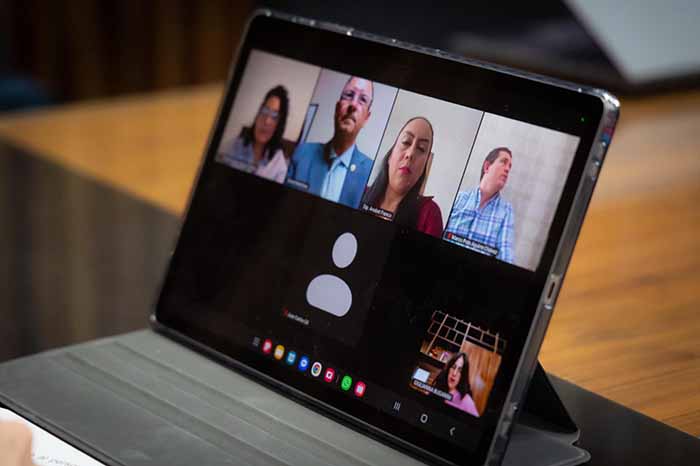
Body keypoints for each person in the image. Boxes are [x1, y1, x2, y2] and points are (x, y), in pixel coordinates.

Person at [286, 76, 374, 208]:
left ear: (366, 118)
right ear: (337, 108)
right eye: (349, 95)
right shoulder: (302, 153)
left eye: (363, 100)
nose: (353, 105)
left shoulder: (369, 172)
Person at [362, 117, 443, 237]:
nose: (410, 154)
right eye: (406, 142)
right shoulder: (358, 192)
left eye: (421, 148)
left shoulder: (430, 214)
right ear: (390, 156)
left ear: (424, 168)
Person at [444, 147, 515, 263]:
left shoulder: (506, 211)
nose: (507, 169)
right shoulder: (459, 198)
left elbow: (506, 256)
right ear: (487, 167)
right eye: (503, 162)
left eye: (509, 166)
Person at [217, 85, 290, 183]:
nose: (267, 121)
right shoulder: (233, 145)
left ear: (279, 125)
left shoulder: (280, 166)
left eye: (274, 116)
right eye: (265, 111)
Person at [433, 352, 479, 417]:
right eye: (453, 367)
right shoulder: (438, 388)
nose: (454, 373)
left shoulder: (467, 401)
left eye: (460, 370)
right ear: (448, 369)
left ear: (463, 376)